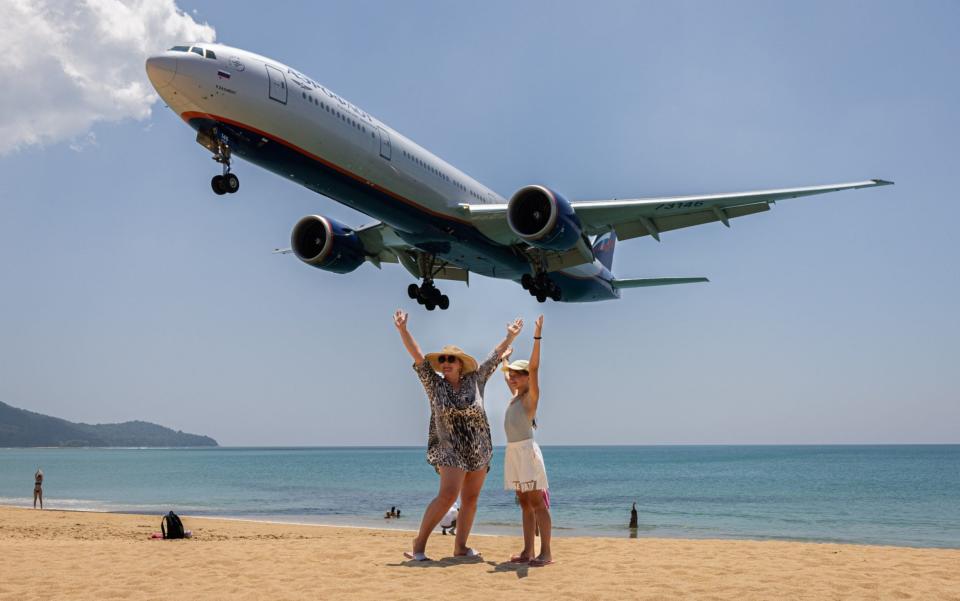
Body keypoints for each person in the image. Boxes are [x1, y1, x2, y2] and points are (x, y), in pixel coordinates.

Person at [394, 309, 523, 561]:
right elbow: (418, 357)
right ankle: (418, 544)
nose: (445, 363)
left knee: (471, 499)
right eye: (443, 359)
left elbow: (494, 357)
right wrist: (403, 330)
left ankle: (460, 547)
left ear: (460, 364)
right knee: (447, 496)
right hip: (449, 448)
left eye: (451, 359)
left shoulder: (476, 380)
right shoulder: (435, 384)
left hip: (479, 448)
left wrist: (510, 337)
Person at [501, 315, 553, 567]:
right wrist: (504, 359)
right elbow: (506, 374)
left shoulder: (530, 399)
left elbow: (534, 368)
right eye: (512, 374)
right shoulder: (514, 395)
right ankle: (527, 551)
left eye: (518, 375)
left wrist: (537, 335)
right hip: (513, 453)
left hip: (526, 452)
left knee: (536, 502)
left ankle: (546, 553)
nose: (513, 377)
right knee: (523, 503)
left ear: (527, 378)